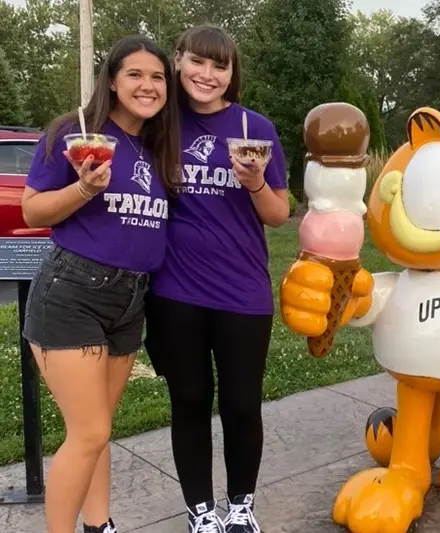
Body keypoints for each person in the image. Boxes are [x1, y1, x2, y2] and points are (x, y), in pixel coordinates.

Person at [20, 36, 181, 533]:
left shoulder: (156, 146)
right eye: (135, 74)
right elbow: (32, 209)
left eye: (157, 77)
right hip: (73, 291)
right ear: (112, 79)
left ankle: (99, 525)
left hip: (131, 299)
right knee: (89, 432)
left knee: (97, 431)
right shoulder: (77, 131)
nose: (147, 86)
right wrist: (84, 187)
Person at [143, 24, 290, 533]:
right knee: (188, 400)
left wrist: (254, 184)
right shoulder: (160, 126)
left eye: (220, 65)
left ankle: (240, 507)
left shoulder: (255, 128)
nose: (208, 74)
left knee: (242, 403)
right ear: (178, 62)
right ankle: (201, 513)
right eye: (198, 62)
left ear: (232, 73)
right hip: (174, 290)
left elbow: (277, 214)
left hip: (242, 291)